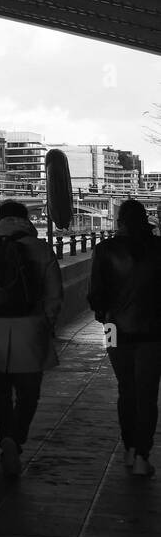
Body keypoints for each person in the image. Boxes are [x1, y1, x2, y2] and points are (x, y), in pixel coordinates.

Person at [0, 200, 63, 477]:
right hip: (30, 327)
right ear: (26, 219)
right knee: (29, 392)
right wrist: (46, 322)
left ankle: (5, 435)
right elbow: (55, 293)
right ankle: (16, 438)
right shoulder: (40, 248)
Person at [88, 199, 161, 478]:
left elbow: (96, 294)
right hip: (154, 331)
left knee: (126, 389)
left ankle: (129, 448)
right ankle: (143, 454)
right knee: (147, 393)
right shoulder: (158, 248)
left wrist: (105, 316)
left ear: (120, 221)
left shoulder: (104, 250)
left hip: (115, 328)